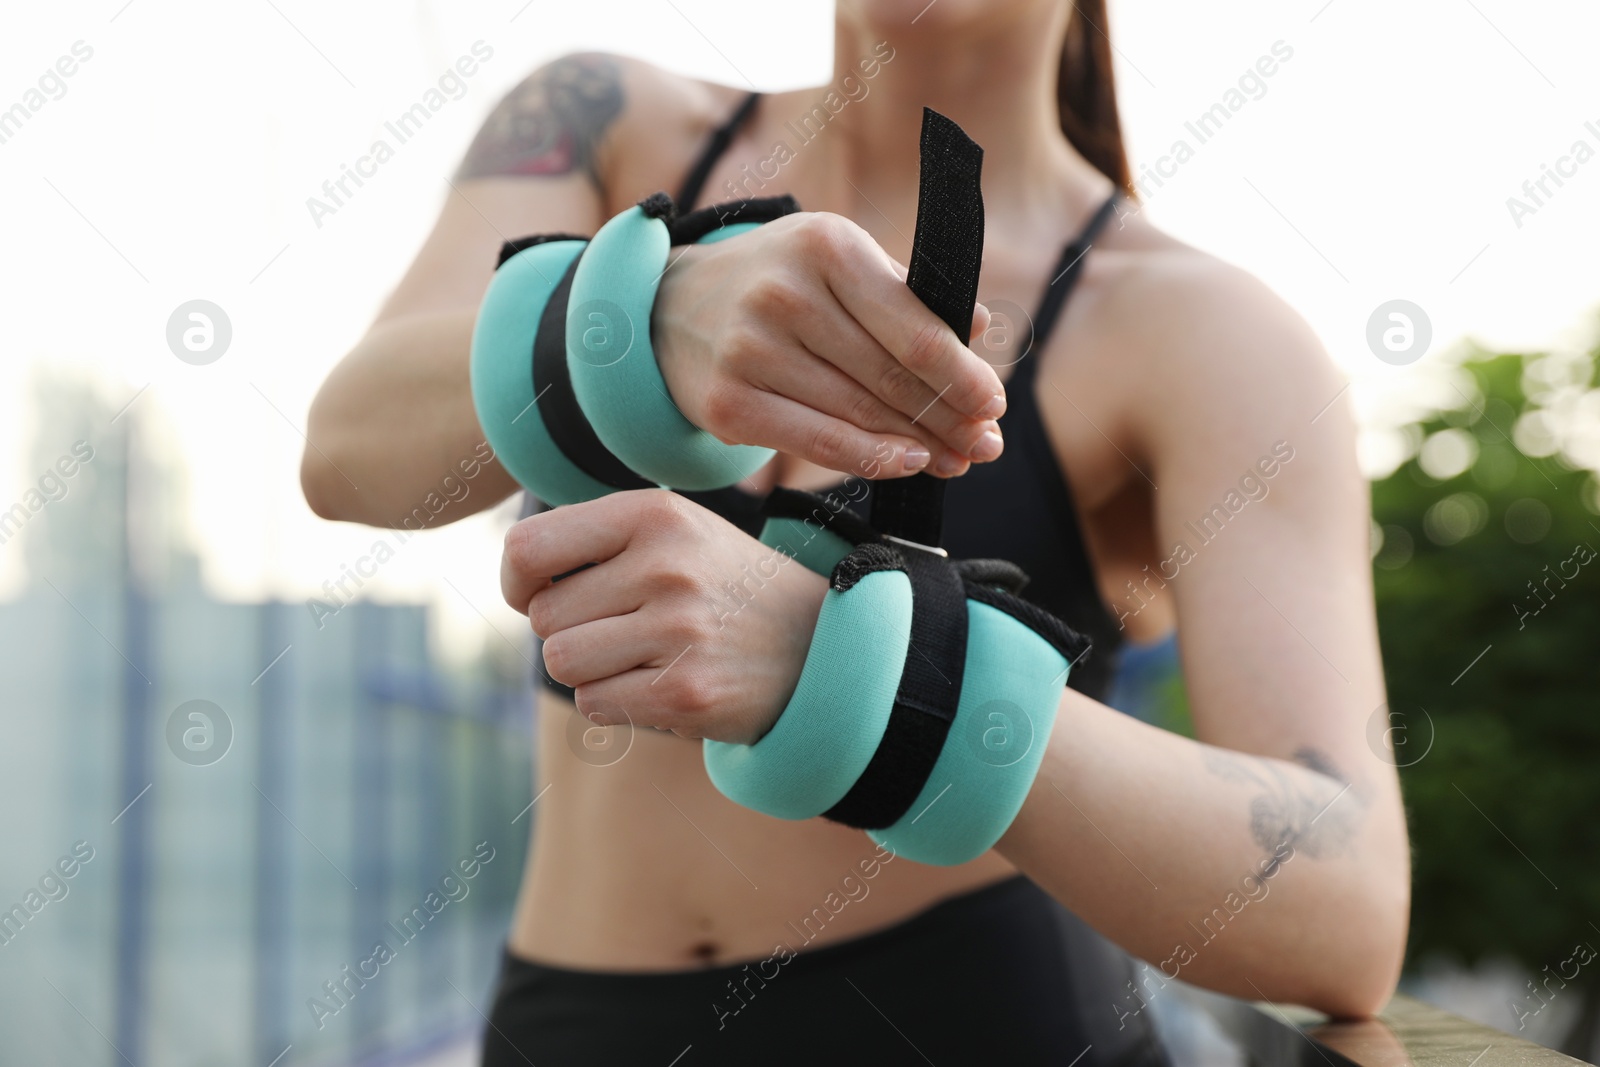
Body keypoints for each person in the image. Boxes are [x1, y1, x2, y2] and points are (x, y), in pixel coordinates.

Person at [302, 1, 1410, 1062]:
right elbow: (347, 453)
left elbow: (1343, 907)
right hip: (573, 1024)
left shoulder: (1203, 330)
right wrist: (643, 314)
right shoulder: (596, 117)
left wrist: (854, 667)